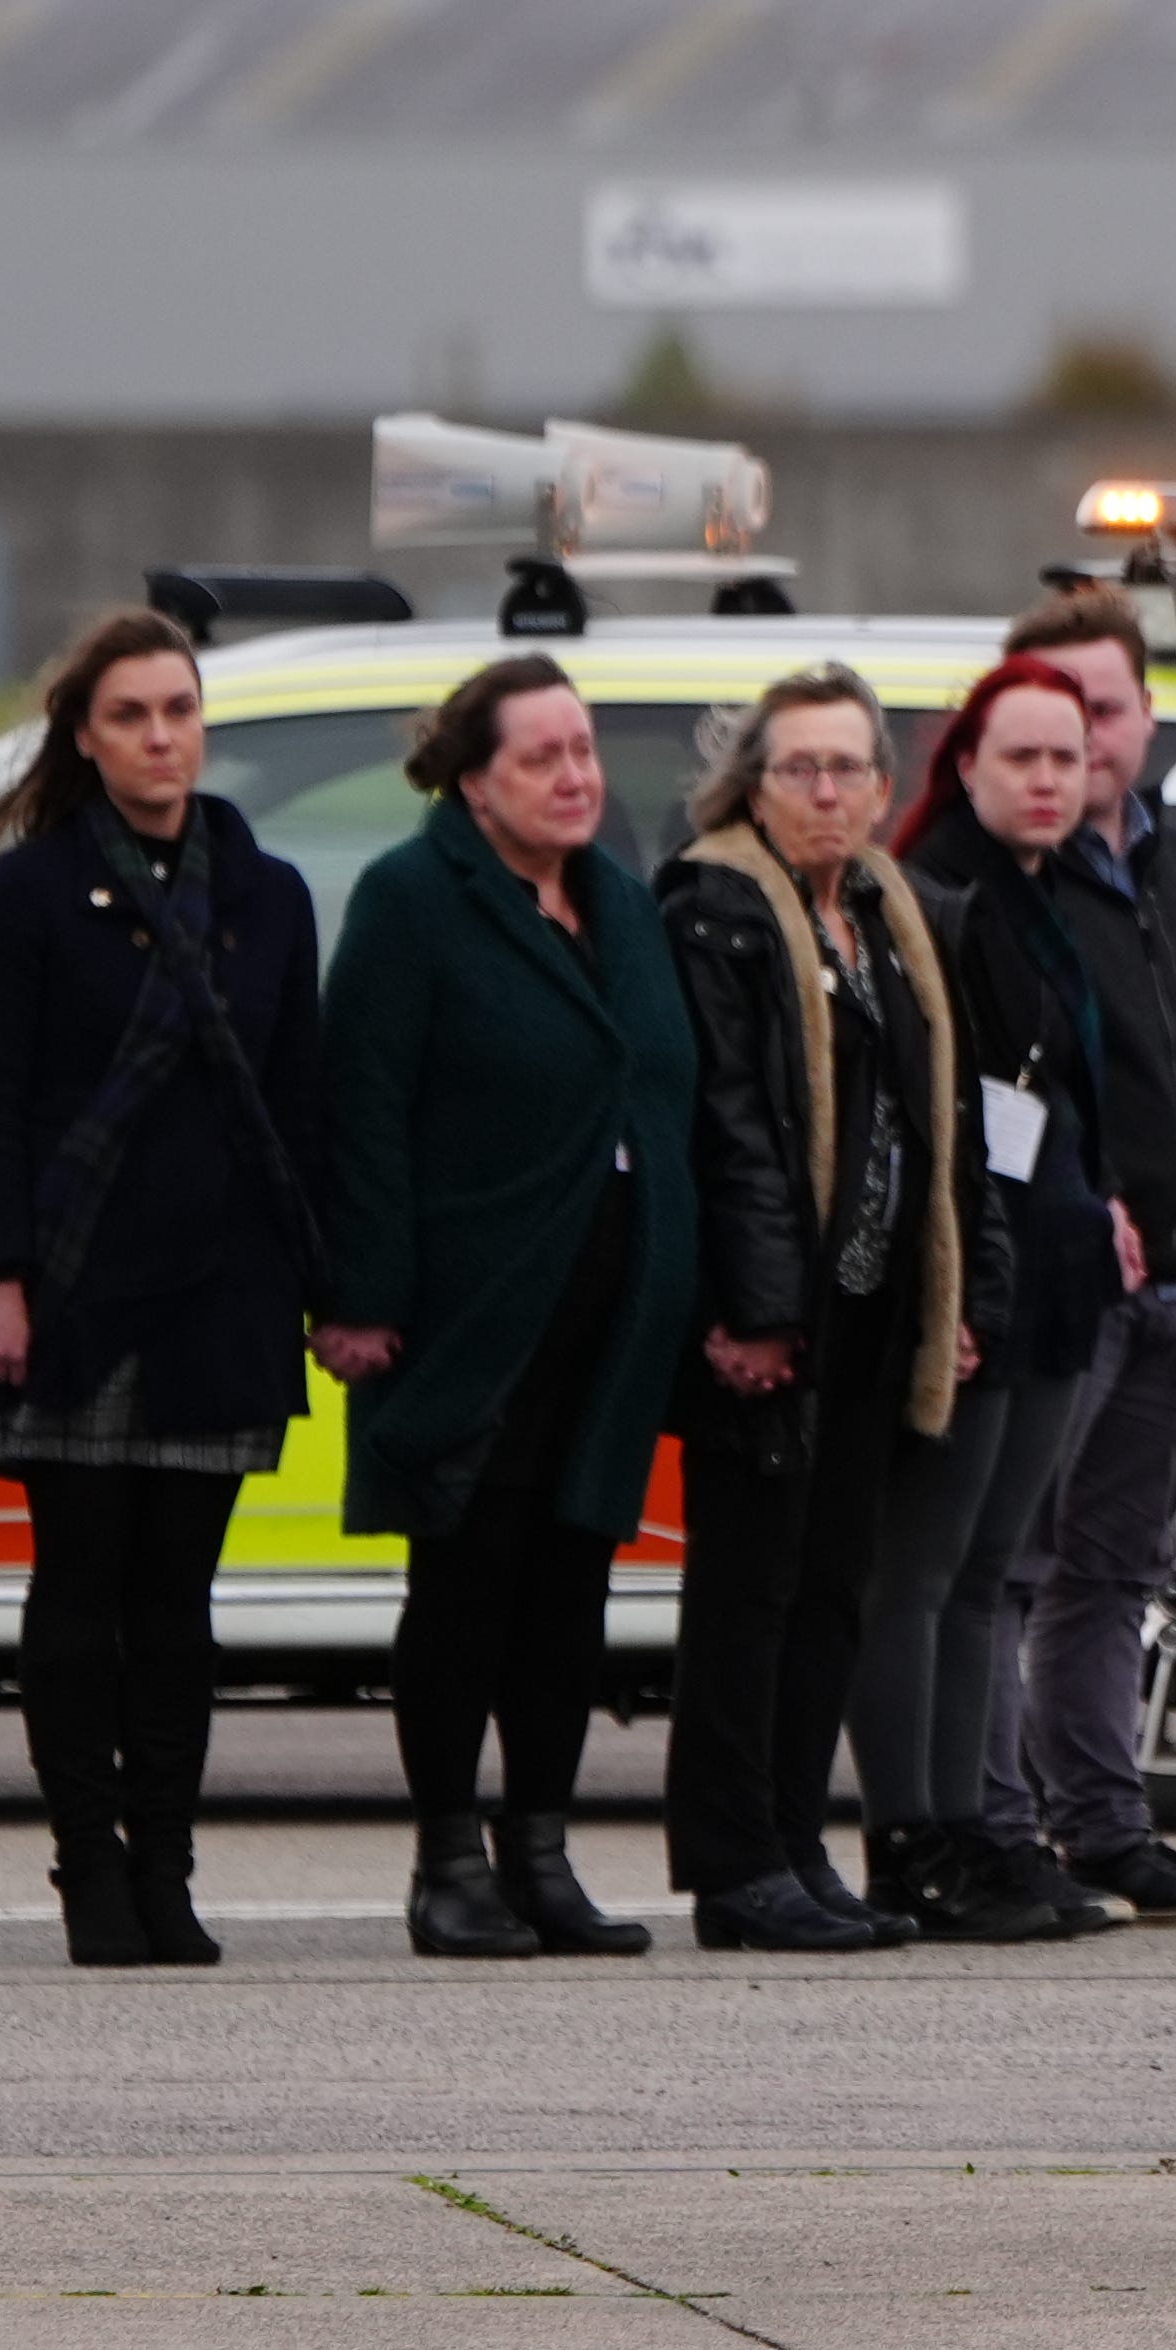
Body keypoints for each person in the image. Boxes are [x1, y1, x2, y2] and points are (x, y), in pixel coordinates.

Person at [0, 607, 325, 1969]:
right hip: (72, 1290)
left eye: (179, 710)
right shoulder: (32, 891)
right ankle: (90, 1869)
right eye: (131, 715)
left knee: (180, 1603)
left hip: (223, 1291)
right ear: (85, 737)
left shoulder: (267, 890)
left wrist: (321, 1286)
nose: (162, 737)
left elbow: (300, 1105)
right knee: (79, 1591)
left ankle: (166, 1869)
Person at [312, 653, 699, 1964]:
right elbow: (359, 1105)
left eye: (584, 750)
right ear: (475, 783)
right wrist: (359, 1295)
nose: (577, 776)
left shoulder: (617, 901)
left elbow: (659, 1090)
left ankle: (542, 1854)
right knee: (465, 1586)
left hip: (610, 1314)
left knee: (569, 1591)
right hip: (470, 1312)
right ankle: (447, 1861)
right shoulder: (413, 899)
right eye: (543, 757)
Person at [656, 667, 997, 1956]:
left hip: (871, 1309)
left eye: (851, 767)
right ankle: (737, 1866)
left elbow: (939, 1128)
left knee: (831, 1591)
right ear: (753, 781)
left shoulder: (886, 910)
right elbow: (733, 1128)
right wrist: (755, 1309)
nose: (829, 793)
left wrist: (954, 1299)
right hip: (771, 1317)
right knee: (747, 1596)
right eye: (800, 768)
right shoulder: (716, 909)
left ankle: (800, 1846)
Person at [987, 587, 1176, 1925]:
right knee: (1010, 1568)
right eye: (1054, 720)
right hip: (1068, 1287)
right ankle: (995, 1830)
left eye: (1107, 710)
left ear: (1146, 717)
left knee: (1120, 1568)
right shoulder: (996, 890)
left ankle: (1107, 1830)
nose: (1084, 743)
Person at [867, 661, 1130, 1945]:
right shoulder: (942, 901)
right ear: (962, 764)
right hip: (981, 1275)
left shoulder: (1054, 894)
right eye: (1019, 756)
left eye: (1065, 758)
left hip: (1056, 1272)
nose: (1045, 779)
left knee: (990, 1572)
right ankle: (925, 1834)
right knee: (933, 1572)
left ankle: (984, 1831)